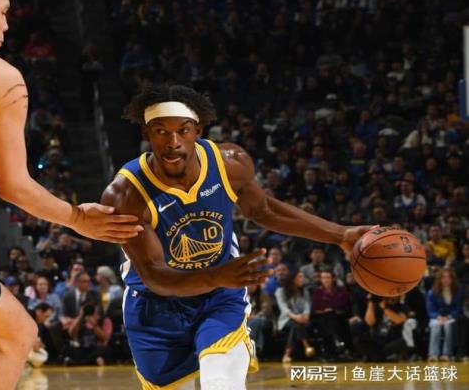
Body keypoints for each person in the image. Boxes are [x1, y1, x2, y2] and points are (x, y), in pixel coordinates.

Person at [101, 84, 375, 389]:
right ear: (146, 134)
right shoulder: (126, 194)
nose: (173, 142)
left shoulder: (229, 163)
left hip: (219, 296)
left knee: (221, 383)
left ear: (198, 131)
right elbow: (156, 276)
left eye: (183, 130)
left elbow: (264, 209)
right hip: (156, 306)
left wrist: (340, 234)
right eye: (161, 132)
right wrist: (216, 276)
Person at [0, 0, 141, 389]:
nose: (6, 26)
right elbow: (14, 187)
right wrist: (78, 218)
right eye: (2, 12)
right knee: (14, 334)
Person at [426, 267, 463, 361]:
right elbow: (430, 309)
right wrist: (438, 317)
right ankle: (433, 354)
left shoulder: (457, 291)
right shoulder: (432, 292)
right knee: (435, 326)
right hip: (436, 317)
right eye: (443, 277)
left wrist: (448, 317)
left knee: (448, 326)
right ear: (440, 279)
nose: (446, 279)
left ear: (452, 279)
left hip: (451, 317)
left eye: (448, 277)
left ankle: (446, 353)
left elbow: (458, 308)